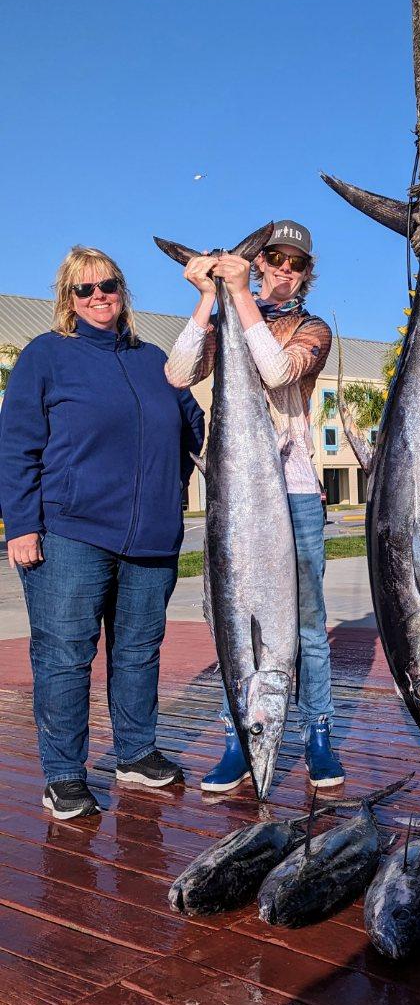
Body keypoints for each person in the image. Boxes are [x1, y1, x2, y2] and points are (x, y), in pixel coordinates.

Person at [0, 247, 205, 821]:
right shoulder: (46, 357)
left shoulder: (154, 359)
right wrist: (22, 525)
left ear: (123, 290)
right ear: (66, 298)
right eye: (83, 289)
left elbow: (193, 426)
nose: (98, 297)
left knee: (139, 652)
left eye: (107, 285)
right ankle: (64, 775)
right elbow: (16, 445)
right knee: (65, 655)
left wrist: (169, 483)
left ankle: (135, 753)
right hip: (71, 532)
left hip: (151, 539)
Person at [164, 218, 345, 792]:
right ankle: (239, 737)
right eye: (276, 260)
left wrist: (238, 293)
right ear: (260, 261)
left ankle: (318, 733)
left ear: (306, 273)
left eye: (297, 263)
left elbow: (276, 369)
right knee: (232, 622)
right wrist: (206, 300)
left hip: (291, 493)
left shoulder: (311, 329)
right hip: (233, 496)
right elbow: (177, 372)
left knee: (309, 626)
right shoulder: (225, 318)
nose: (286, 271)